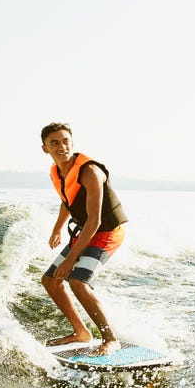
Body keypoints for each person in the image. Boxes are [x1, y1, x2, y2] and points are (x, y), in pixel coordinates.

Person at [40, 122, 128, 356]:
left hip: (107, 231)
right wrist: (57, 229)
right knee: (50, 280)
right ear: (45, 149)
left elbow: (95, 221)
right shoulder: (57, 171)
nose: (61, 146)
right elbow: (67, 199)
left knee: (77, 281)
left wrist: (71, 260)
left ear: (72, 142)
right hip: (87, 230)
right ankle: (81, 332)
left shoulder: (90, 171)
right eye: (54, 143)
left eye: (65, 141)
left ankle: (110, 338)